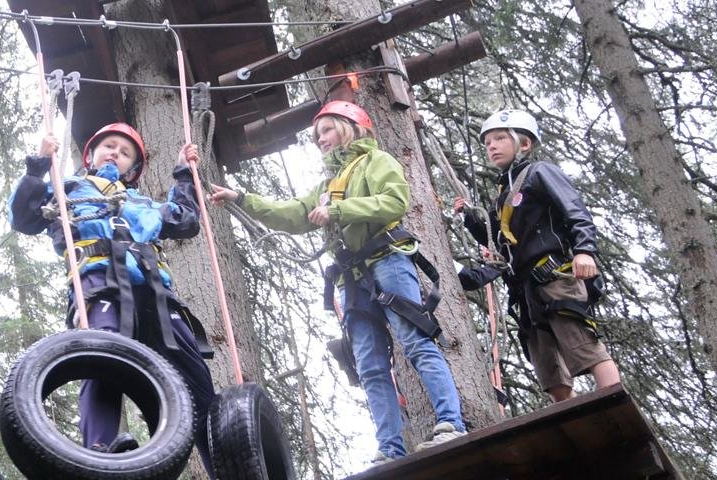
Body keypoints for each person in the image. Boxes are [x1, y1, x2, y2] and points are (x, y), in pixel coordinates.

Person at [209, 101, 467, 465]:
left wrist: (338, 211)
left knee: (415, 341)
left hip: (388, 261)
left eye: (326, 130)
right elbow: (294, 214)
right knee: (370, 365)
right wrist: (242, 199)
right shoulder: (326, 186)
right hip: (351, 278)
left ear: (351, 127)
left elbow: (394, 201)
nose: (320, 140)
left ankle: (451, 423)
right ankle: (390, 448)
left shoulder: (377, 162)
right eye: (316, 136)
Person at [8, 122, 217, 472]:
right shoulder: (68, 190)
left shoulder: (142, 202)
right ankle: (100, 450)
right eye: (109, 147)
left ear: (132, 169)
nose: (114, 154)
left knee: (193, 377)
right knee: (102, 354)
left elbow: (185, 220)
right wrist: (38, 167)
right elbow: (24, 217)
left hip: (154, 292)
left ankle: (229, 464)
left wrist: (183, 175)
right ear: (90, 154)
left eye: (124, 153)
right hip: (100, 281)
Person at [452, 109, 619, 403]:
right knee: (547, 367)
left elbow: (575, 210)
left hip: (554, 276)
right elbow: (498, 239)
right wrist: (470, 217)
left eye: (500, 138)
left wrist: (584, 250)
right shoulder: (503, 194)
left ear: (525, 144)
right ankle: (573, 421)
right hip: (526, 290)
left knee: (584, 346)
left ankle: (616, 404)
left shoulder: (539, 173)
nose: (491, 146)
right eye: (488, 141)